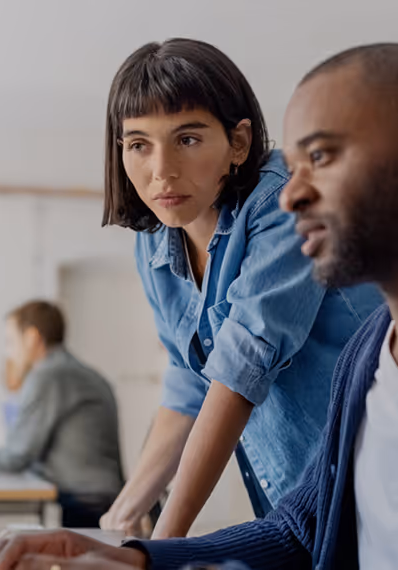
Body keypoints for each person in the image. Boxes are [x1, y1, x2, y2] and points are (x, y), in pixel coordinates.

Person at [0, 43, 398, 570]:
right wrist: (141, 557)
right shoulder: (370, 356)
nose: (290, 195)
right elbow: (299, 532)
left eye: (318, 156)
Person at [96, 38, 383, 539]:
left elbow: (239, 368)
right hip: (299, 507)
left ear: (239, 143)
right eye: (139, 144)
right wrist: (124, 514)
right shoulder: (155, 240)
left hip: (380, 485)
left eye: (187, 139)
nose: (161, 169)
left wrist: (161, 547)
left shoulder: (287, 202)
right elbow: (191, 382)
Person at [0, 300, 124, 528]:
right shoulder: (74, 370)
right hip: (101, 497)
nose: (8, 351)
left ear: (31, 338)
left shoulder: (49, 375)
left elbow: (17, 456)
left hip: (86, 503)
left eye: (10, 341)